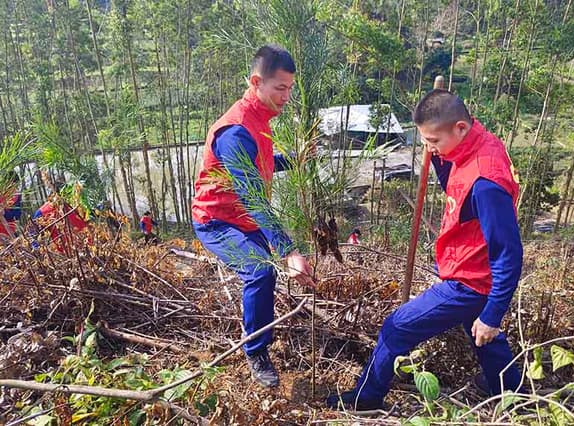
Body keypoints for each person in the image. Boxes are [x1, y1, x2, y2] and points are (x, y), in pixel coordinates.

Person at [328, 89, 523, 410]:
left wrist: (493, 312)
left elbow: (508, 253)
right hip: (469, 264)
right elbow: (456, 188)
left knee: (396, 327)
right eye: (426, 141)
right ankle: (510, 390)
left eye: (433, 141)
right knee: (482, 337)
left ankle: (368, 396)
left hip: (470, 282)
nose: (429, 148)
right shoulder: (475, 141)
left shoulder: (486, 182)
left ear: (460, 127)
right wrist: (438, 154)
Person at [192, 44, 315, 388]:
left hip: (244, 218)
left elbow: (261, 164)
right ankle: (256, 351)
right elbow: (252, 197)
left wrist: (294, 159)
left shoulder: (261, 117)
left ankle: (261, 329)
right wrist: (288, 252)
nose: (286, 96)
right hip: (217, 220)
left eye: (290, 88)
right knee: (260, 270)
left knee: (273, 267)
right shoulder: (235, 130)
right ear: (256, 81)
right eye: (280, 88)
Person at [0, 171, 22, 239]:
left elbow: (17, 214)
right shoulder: (1, 195)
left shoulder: (17, 195)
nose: (14, 189)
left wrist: (5, 213)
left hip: (11, 231)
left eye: (16, 186)